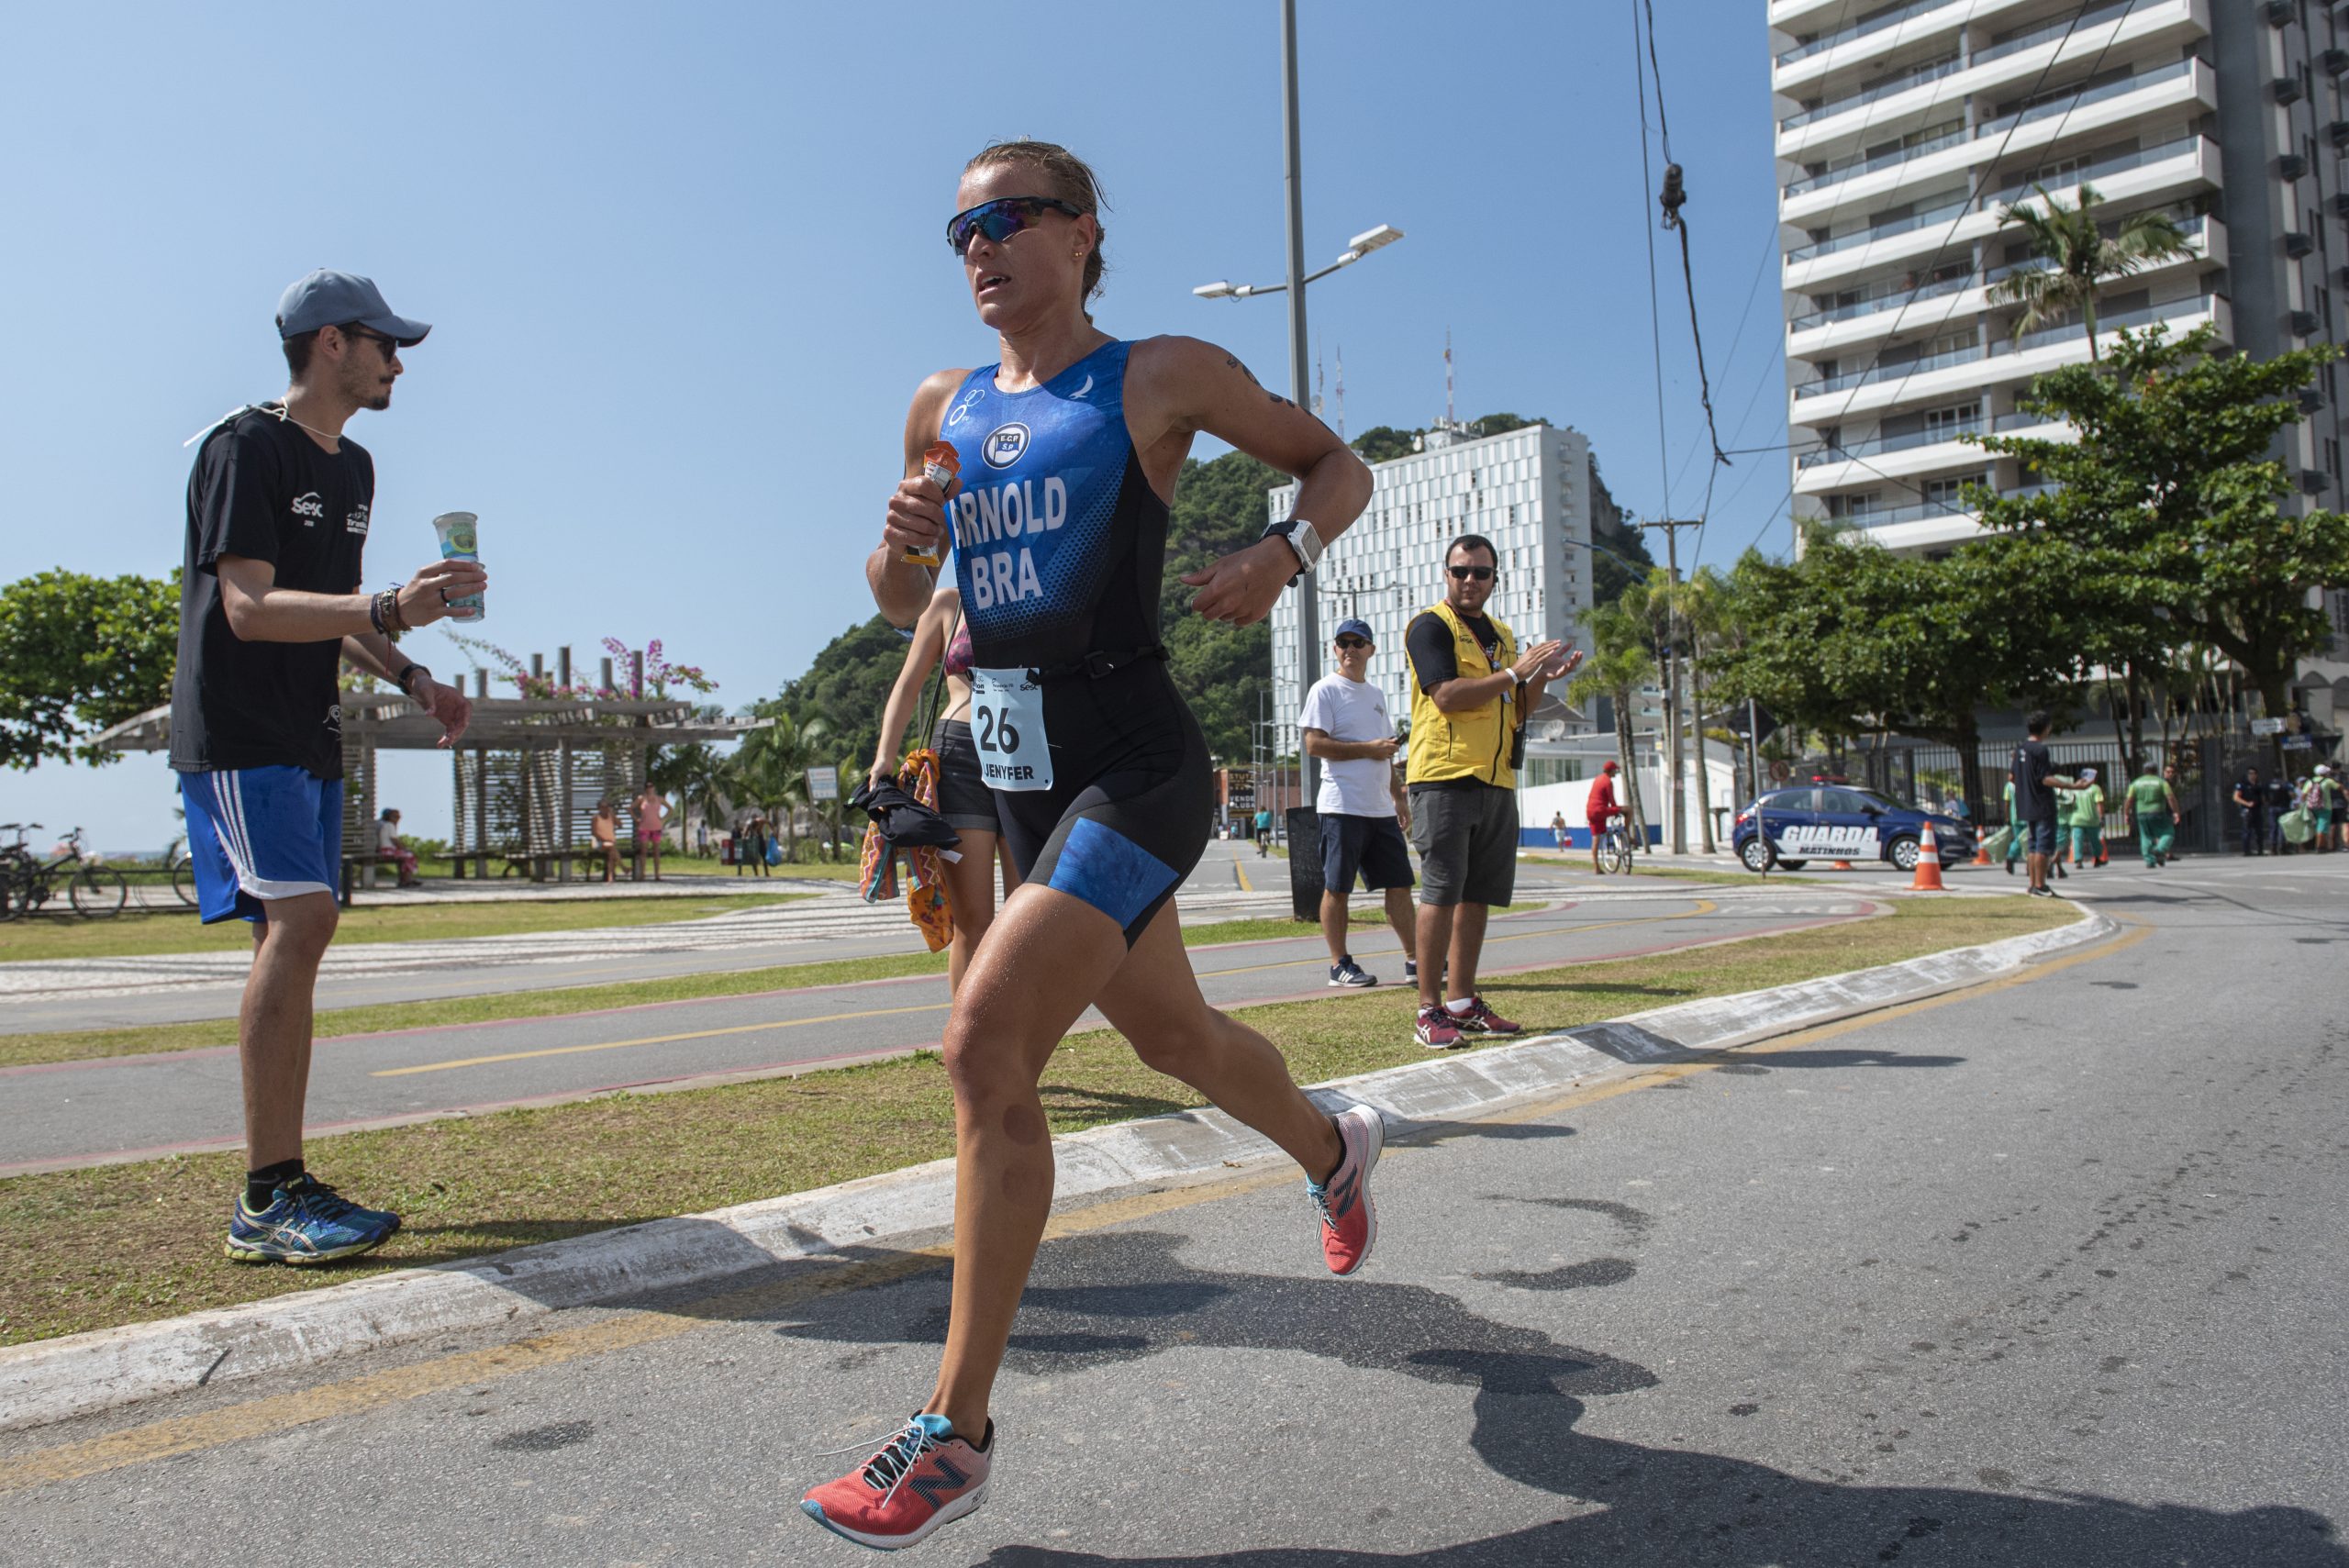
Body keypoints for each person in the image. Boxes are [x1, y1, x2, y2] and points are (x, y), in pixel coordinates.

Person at [806, 139, 1384, 1551]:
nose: (978, 250)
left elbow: (1339, 466)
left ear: (1080, 232)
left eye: (1005, 221)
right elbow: (901, 602)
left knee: (981, 1048)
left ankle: (955, 1433)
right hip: (1014, 778)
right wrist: (899, 541)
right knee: (1176, 1039)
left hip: (1135, 768)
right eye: (959, 232)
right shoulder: (940, 403)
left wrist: (1277, 558)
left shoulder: (1158, 375)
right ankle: (1333, 1145)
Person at [169, 270, 481, 1265]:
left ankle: (282, 1181)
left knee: (292, 929)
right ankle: (267, 1194)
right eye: (389, 345)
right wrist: (389, 607)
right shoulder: (243, 446)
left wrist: (414, 669)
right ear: (332, 342)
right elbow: (250, 608)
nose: (399, 363)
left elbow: (337, 607)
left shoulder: (355, 468)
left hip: (306, 728)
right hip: (237, 727)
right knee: (302, 920)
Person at [1403, 534, 1583, 1047]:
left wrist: (1541, 676)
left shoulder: (1501, 634)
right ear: (1446, 574)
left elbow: (1518, 709)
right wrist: (1514, 672)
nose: (1469, 581)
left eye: (1480, 573)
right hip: (1444, 775)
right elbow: (1448, 697)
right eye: (1460, 571)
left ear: (1494, 580)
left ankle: (1460, 1001)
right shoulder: (1430, 626)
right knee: (1440, 890)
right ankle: (1427, 1010)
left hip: (1496, 778)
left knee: (1478, 894)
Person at [868, 584, 1024, 991]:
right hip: (959, 757)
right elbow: (907, 684)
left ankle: (1020, 1041)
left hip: (1028, 756)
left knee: (1026, 915)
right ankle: (969, 1044)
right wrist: (884, 755)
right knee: (974, 921)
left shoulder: (1038, 587)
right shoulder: (948, 602)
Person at [1298, 617, 1419, 988]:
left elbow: (1386, 753)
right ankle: (1340, 965)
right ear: (1335, 649)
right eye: (1343, 642)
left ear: (1371, 650)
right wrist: (1370, 748)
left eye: (1358, 642)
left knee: (1399, 885)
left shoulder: (1377, 695)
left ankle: (1417, 960)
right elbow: (1314, 744)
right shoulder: (1325, 690)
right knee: (1337, 887)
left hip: (1379, 808)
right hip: (1341, 806)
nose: (1350, 649)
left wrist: (1398, 797)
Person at [2010, 711, 2086, 898]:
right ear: (2046, 728)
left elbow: (2012, 777)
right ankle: (2041, 885)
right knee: (2043, 847)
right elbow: (2045, 779)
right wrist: (2071, 785)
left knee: (2033, 846)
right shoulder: (2040, 750)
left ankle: (2033, 885)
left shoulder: (2020, 749)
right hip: (2042, 804)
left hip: (2026, 804)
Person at [2124, 762, 2178, 868]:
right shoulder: (2161, 782)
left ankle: (2149, 861)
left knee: (2146, 836)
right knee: (2168, 832)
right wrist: (2176, 812)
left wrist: (2126, 813)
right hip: (2158, 812)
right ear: (2156, 771)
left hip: (2141, 813)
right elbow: (2170, 798)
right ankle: (2160, 850)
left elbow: (2129, 800)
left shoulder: (2136, 783)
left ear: (2144, 771)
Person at [2063, 770, 2105, 872]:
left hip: (2076, 819)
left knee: (2077, 841)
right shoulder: (2095, 788)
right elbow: (2099, 803)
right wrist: (2101, 817)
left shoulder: (2074, 789)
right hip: (2091, 819)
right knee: (2095, 841)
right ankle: (2097, 858)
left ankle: (2078, 861)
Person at [1586, 762, 1623, 874]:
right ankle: (1628, 836)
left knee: (1595, 839)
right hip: (1601, 810)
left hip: (1590, 811)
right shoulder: (1608, 782)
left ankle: (1596, 867)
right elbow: (1612, 800)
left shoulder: (1598, 779)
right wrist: (1616, 810)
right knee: (1628, 810)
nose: (1616, 772)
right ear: (1610, 771)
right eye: (1615, 770)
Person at [374, 808, 419, 887]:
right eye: (395, 817)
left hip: (384, 850)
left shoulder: (386, 825)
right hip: (387, 851)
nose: (398, 819)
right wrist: (404, 848)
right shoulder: (390, 825)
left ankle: (406, 880)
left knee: (406, 856)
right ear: (389, 817)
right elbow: (395, 840)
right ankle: (406, 880)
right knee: (409, 856)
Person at [633, 782, 668, 880]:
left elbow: (670, 809)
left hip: (656, 827)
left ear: (654, 787)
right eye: (647, 787)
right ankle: (642, 874)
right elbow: (630, 808)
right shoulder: (641, 798)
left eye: (651, 786)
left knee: (656, 851)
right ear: (645, 788)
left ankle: (657, 874)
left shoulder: (659, 799)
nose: (649, 788)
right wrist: (636, 819)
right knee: (643, 851)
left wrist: (663, 819)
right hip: (644, 827)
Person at [2235, 767, 2267, 856]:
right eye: (2250, 773)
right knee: (2247, 832)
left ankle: (2260, 850)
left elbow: (2262, 797)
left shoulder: (2259, 785)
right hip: (2247, 811)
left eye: (2253, 773)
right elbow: (2236, 797)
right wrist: (2247, 803)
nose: (2251, 775)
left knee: (2259, 832)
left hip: (2257, 810)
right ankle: (2247, 851)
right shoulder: (2242, 785)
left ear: (2256, 775)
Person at [2263, 769, 2296, 855]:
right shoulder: (2285, 784)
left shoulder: (2268, 784)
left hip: (2272, 808)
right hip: (2283, 807)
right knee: (2283, 827)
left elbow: (2264, 796)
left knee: (2273, 828)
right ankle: (2282, 847)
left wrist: (2268, 802)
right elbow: (2292, 795)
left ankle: (2273, 848)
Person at [590, 798, 622, 882]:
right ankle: (623, 868)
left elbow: (620, 825)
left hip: (610, 844)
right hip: (599, 843)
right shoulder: (595, 818)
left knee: (611, 852)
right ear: (599, 808)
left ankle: (610, 876)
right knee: (611, 848)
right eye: (603, 807)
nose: (605, 809)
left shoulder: (611, 817)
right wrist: (604, 840)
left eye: (607, 807)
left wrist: (613, 815)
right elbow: (594, 833)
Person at [736, 811, 772, 877]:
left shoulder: (761, 821)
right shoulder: (749, 824)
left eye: (756, 827)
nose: (755, 829)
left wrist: (773, 830)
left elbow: (769, 822)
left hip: (760, 839)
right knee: (753, 857)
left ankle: (766, 873)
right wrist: (744, 838)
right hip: (752, 840)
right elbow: (745, 832)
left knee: (764, 855)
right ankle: (756, 873)